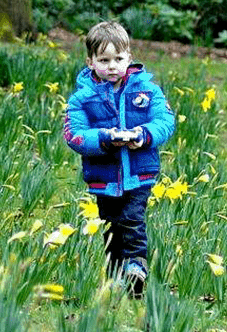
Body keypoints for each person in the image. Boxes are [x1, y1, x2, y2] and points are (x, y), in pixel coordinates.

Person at [63, 20, 175, 297]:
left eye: (118, 59)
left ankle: (137, 267)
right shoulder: (82, 99)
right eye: (104, 60)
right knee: (111, 225)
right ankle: (114, 273)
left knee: (132, 219)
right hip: (104, 177)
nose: (112, 66)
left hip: (139, 172)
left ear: (130, 58)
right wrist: (103, 138)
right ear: (90, 62)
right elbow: (74, 135)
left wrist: (143, 134)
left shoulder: (147, 91)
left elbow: (165, 121)